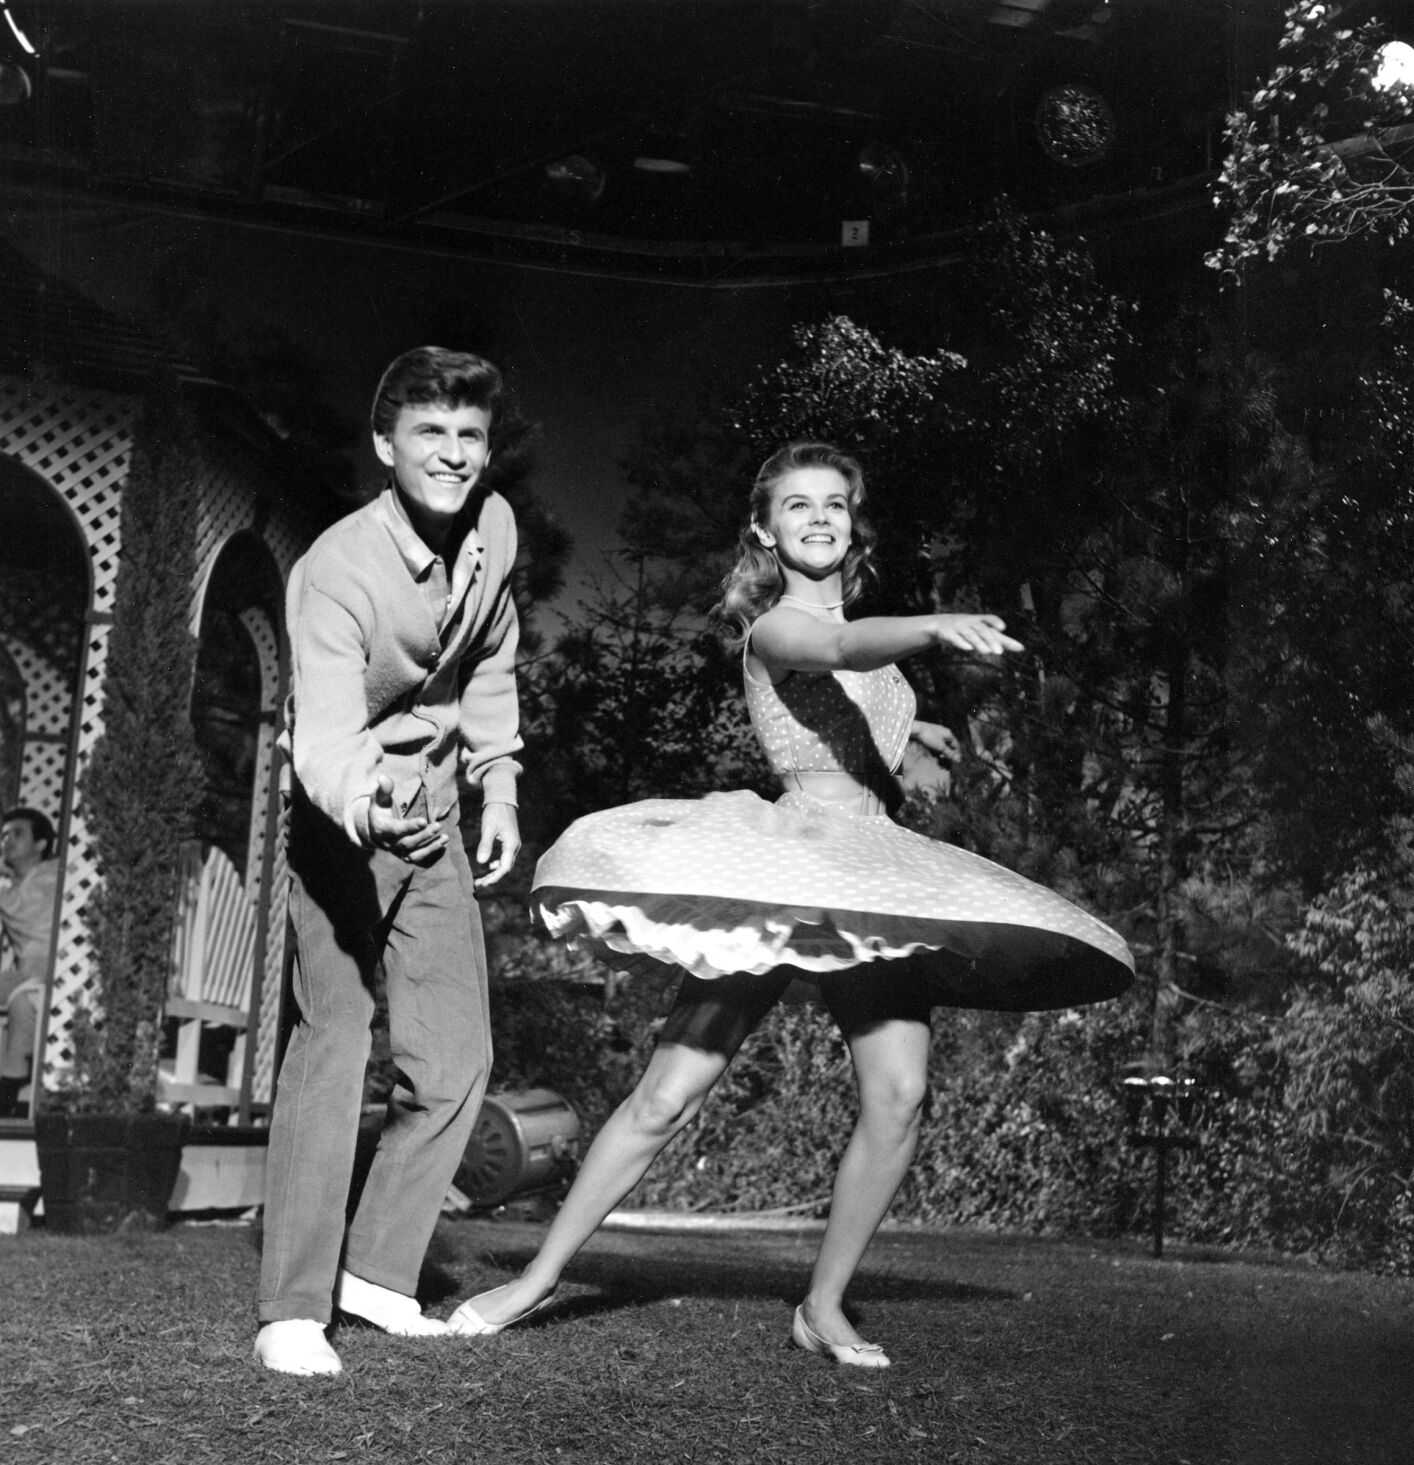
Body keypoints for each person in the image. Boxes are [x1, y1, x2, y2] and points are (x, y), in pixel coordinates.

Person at [447, 440, 1133, 1367]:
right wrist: (934, 624)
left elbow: (863, 692)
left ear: (854, 525)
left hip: (868, 876)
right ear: (766, 531)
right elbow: (840, 645)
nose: (819, 516)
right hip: (785, 869)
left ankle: (824, 1305)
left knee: (899, 1093)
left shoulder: (881, 663)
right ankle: (535, 1280)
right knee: (668, 1095)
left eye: (836, 503)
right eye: (797, 504)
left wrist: (913, 735)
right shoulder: (774, 625)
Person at [255, 347, 524, 1377]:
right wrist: (371, 805)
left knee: (455, 1061)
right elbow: (321, 736)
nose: (452, 455)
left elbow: (493, 657)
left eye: (469, 438)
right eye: (429, 435)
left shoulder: (493, 530)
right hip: (346, 814)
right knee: (336, 1037)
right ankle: (291, 1307)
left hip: (444, 808)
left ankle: (376, 1272)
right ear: (385, 446)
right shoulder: (334, 571)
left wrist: (498, 788)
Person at [0, 806, 60, 1118]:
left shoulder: (52, 876)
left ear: (40, 845)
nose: (6, 841)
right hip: (24, 971)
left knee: (23, 1001)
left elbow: (25, 912)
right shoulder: (17, 882)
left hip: (54, 972)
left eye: (17, 834)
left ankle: (8, 1087)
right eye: (4, 835)